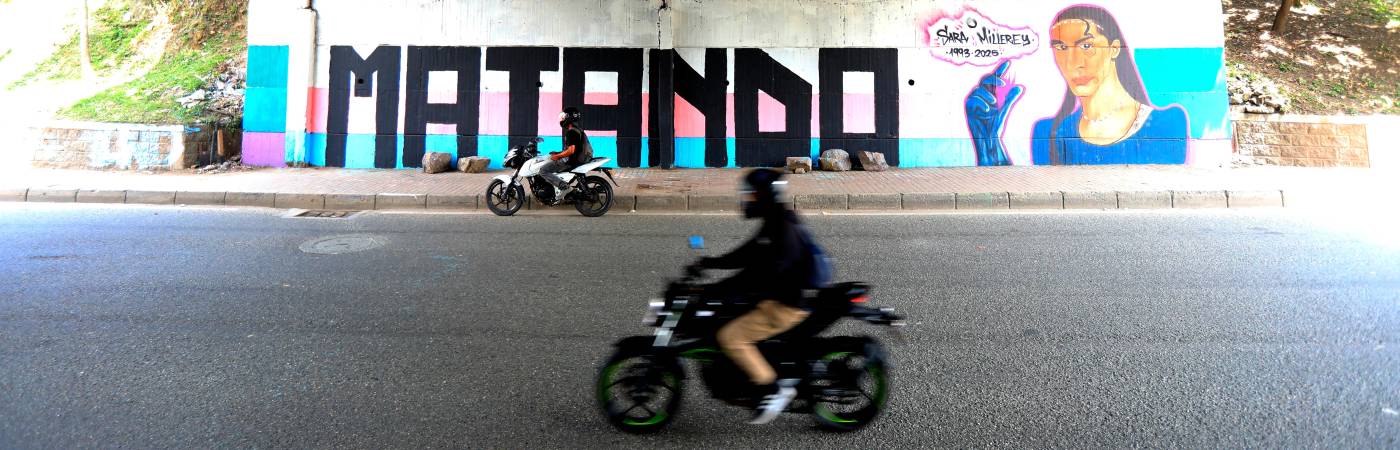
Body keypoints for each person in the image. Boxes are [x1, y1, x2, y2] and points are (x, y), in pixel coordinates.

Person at [688, 168, 830, 425]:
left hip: (785, 305)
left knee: (730, 337)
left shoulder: (783, 228)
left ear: (766, 195)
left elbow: (758, 274)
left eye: (752, 195)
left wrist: (721, 289)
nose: (747, 199)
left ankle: (772, 389)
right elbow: (747, 255)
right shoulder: (775, 220)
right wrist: (709, 264)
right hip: (778, 296)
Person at [967, 5, 1189, 166]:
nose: (1073, 64)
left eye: (1086, 45)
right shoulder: (1048, 133)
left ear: (1114, 49)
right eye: (1061, 48)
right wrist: (990, 148)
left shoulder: (1168, 123)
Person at [541, 106, 593, 199]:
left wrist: (557, 156)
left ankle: (563, 187)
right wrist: (558, 153)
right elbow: (573, 149)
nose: (562, 118)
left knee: (543, 170)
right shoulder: (578, 130)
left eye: (564, 116)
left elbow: (571, 151)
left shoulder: (571, 132)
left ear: (569, 118)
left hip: (571, 161)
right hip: (578, 158)